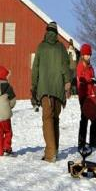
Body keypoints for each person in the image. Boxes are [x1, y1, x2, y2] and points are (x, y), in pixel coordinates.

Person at [31, 21, 71, 162]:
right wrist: (67, 85)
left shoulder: (41, 47)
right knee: (55, 119)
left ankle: (50, 153)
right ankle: (55, 149)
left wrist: (33, 87)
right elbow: (66, 67)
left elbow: (35, 69)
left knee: (47, 119)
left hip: (45, 89)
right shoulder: (61, 48)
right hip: (58, 91)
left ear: (47, 31)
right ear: (56, 32)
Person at [75, 43, 96, 151]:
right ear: (82, 55)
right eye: (86, 54)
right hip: (84, 96)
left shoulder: (90, 67)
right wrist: (90, 80)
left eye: (89, 54)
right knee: (84, 120)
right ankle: (81, 144)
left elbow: (92, 79)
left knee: (95, 119)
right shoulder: (80, 66)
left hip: (91, 96)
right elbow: (81, 79)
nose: (88, 56)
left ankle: (93, 143)